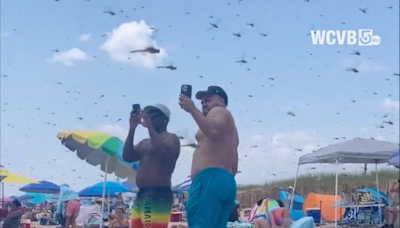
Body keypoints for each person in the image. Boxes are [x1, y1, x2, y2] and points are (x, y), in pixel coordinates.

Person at [179, 85, 239, 228]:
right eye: (201, 102)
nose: (204, 104)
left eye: (208, 99)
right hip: (226, 180)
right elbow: (234, 165)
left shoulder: (219, 111)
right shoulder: (232, 129)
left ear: (221, 101)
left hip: (208, 180)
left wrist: (192, 109)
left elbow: (213, 131)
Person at [122, 104, 180, 228]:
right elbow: (127, 156)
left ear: (165, 119)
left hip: (158, 193)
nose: (150, 118)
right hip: (142, 193)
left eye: (154, 115)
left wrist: (148, 126)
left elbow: (162, 150)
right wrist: (132, 129)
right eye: (148, 115)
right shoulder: (145, 142)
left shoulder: (171, 138)